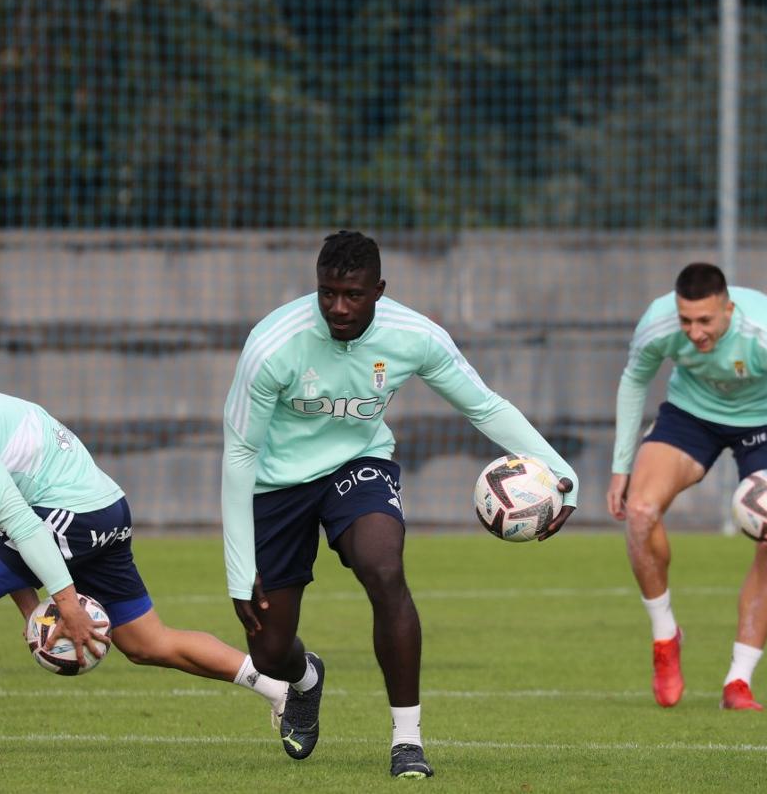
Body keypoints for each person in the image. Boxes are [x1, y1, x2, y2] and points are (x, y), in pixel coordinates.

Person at [222, 230, 578, 779]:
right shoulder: (273, 345)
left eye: (354, 295)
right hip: (277, 484)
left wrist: (560, 473)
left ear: (379, 290)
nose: (339, 307)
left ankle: (407, 740)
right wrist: (240, 570)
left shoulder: (416, 336)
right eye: (327, 293)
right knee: (270, 651)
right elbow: (241, 453)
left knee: (384, 570)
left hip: (358, 466)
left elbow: (483, 407)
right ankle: (306, 678)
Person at [0, 348, 288, 758]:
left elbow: (19, 520)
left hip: (72, 513)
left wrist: (65, 605)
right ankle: (281, 689)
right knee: (148, 644)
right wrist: (32, 610)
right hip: (103, 509)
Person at [606, 262, 767, 711]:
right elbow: (634, 382)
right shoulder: (658, 323)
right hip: (691, 415)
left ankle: (738, 681)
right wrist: (621, 467)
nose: (694, 331)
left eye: (705, 321)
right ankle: (665, 637)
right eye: (686, 320)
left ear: (728, 309)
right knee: (641, 511)